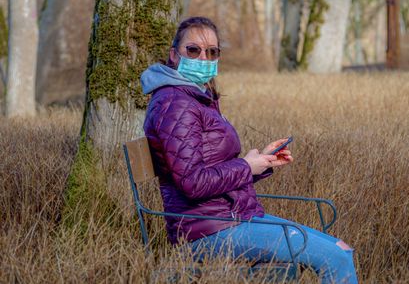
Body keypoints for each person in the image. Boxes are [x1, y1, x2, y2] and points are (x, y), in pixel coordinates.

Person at [141, 16, 357, 283]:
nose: (203, 58)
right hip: (208, 230)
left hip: (229, 219)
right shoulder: (176, 104)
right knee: (337, 256)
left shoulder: (193, 97)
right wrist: (246, 166)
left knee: (322, 255)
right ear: (174, 55)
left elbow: (211, 169)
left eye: (212, 52)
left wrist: (259, 163)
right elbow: (192, 183)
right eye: (193, 50)